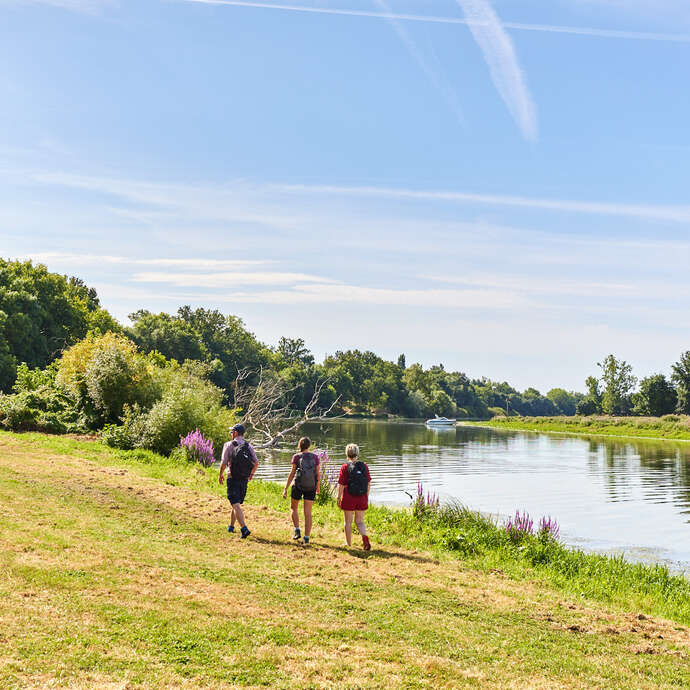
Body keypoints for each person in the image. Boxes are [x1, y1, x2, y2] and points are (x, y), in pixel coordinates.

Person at [219, 423, 258, 539]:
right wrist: (251, 474)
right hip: (244, 478)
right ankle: (231, 526)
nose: (231, 434)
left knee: (235, 504)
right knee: (236, 504)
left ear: (235, 433)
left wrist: (220, 474)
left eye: (232, 432)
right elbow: (256, 463)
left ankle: (244, 528)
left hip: (232, 477)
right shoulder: (248, 446)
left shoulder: (229, 445)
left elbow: (224, 462)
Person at [282, 437, 320, 544]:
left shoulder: (296, 457)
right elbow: (317, 474)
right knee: (308, 513)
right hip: (311, 487)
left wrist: (285, 488)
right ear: (309, 446)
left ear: (300, 446)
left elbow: (292, 473)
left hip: (297, 486)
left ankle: (297, 530)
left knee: (293, 508)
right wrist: (318, 486)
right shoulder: (315, 457)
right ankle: (307, 537)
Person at [337, 443, 371, 550]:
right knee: (360, 521)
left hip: (348, 497)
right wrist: (366, 496)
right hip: (362, 497)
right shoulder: (364, 466)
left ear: (347, 454)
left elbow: (341, 484)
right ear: (357, 453)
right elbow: (368, 483)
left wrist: (339, 497)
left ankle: (348, 544)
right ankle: (364, 538)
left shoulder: (345, 467)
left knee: (348, 522)